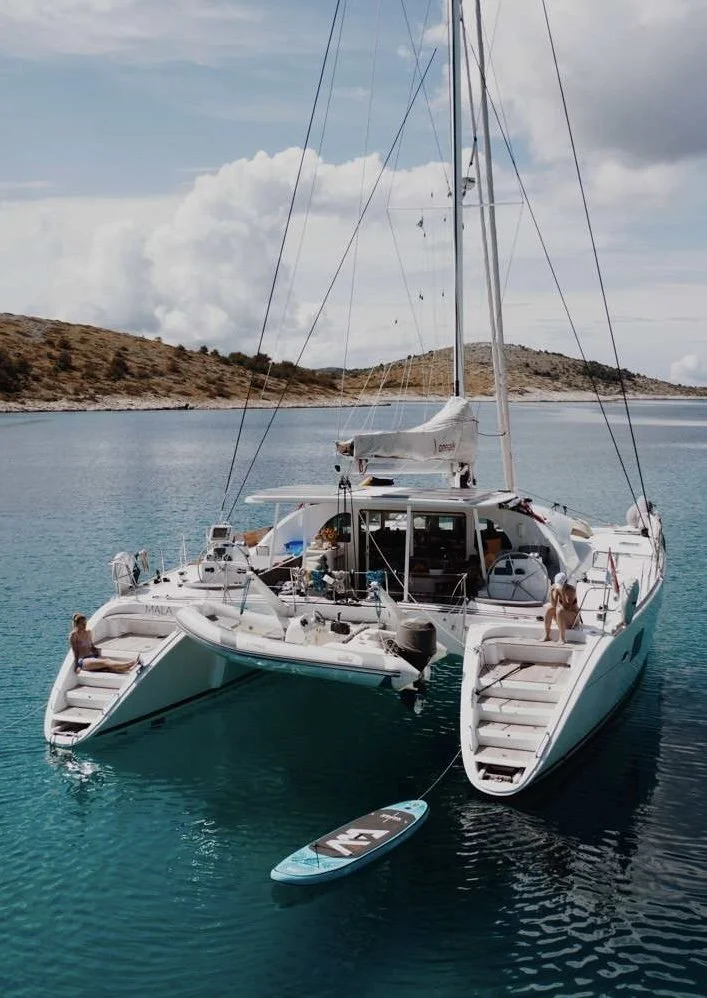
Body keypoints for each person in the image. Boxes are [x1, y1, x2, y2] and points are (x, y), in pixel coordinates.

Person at [69, 613, 139, 673]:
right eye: (82, 624)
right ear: (77, 624)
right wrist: (77, 666)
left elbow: (91, 646)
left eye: (85, 623)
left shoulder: (88, 632)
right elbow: (75, 652)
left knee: (109, 667)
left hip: (93, 657)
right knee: (106, 661)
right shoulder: (74, 635)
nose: (85, 625)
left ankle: (130, 668)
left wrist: (96, 650)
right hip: (84, 660)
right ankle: (131, 663)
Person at [543, 572, 580, 642]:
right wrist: (551, 591)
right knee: (549, 609)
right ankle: (547, 635)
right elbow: (553, 605)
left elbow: (567, 607)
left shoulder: (571, 590)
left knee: (560, 610)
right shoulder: (557, 589)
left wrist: (562, 593)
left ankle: (562, 638)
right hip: (562, 617)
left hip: (573, 619)